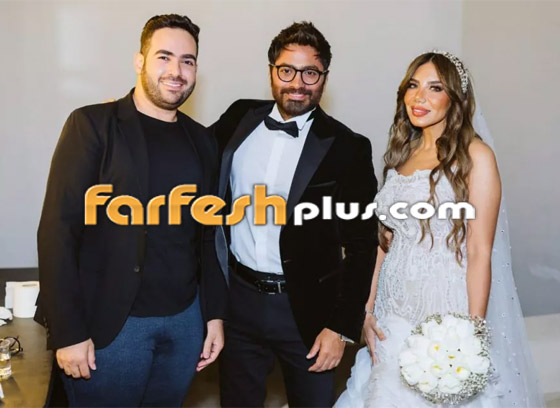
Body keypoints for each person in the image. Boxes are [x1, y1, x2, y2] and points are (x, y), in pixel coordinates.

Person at [34, 14, 227, 407]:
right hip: (111, 328)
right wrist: (68, 332)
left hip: (184, 325)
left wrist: (214, 316)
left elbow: (208, 237)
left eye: (187, 61)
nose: (176, 71)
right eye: (164, 57)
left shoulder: (202, 141)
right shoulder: (92, 125)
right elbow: (57, 230)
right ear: (139, 61)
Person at [336, 51, 544, 407]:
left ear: (455, 98)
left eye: (435, 88)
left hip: (444, 311)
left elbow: (479, 250)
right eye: (413, 86)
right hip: (391, 312)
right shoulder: (401, 155)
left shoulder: (476, 156)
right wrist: (367, 310)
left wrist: (470, 332)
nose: (419, 97)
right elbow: (384, 243)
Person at [211, 21, 378, 407]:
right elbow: (189, 151)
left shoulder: (348, 147)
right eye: (287, 70)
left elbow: (362, 246)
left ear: (325, 77)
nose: (298, 83)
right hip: (238, 302)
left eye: (310, 73)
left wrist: (341, 327)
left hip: (308, 312)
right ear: (272, 71)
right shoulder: (239, 117)